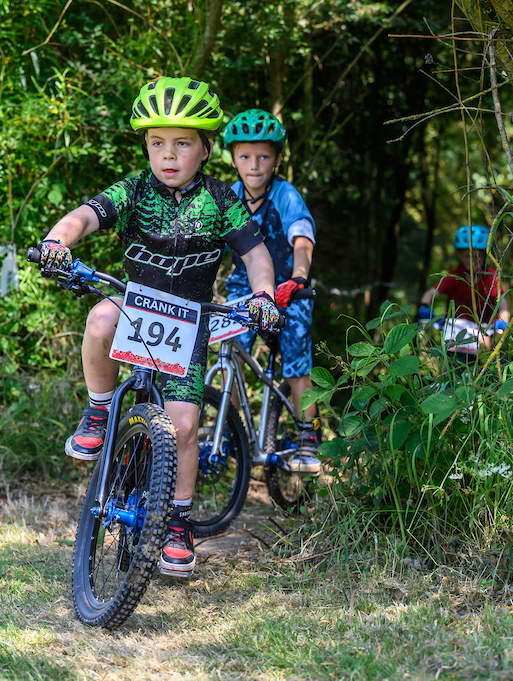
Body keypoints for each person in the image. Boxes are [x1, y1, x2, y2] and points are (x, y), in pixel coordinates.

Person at [34, 77, 280, 579]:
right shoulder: (135, 190)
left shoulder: (221, 201)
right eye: (157, 144)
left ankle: (178, 523)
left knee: (185, 426)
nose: (168, 155)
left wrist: (262, 296)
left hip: (188, 323)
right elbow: (85, 215)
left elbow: (255, 254)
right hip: (135, 307)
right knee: (101, 314)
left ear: (207, 149)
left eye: (182, 143)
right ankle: (101, 412)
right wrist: (58, 241)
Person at [221, 108, 322, 475]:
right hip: (242, 288)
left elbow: (302, 238)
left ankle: (308, 434)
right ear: (233, 158)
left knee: (296, 357)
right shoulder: (227, 195)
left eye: (264, 156)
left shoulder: (285, 193)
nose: (254, 164)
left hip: (287, 288)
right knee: (227, 350)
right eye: (245, 156)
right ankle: (234, 432)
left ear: (277, 159)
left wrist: (298, 277)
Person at [417, 224, 510, 363]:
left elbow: (502, 302)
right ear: (460, 255)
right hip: (455, 328)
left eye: (478, 256)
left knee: (484, 360)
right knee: (448, 366)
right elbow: (431, 293)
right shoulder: (454, 275)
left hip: (482, 329)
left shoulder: (491, 277)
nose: (473, 260)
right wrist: (424, 306)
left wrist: (503, 321)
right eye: (468, 256)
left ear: (485, 255)